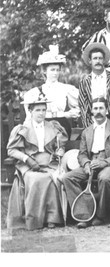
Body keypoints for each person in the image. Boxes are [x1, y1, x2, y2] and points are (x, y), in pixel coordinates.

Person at [61, 97, 110, 228]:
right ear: (91, 111)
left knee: (105, 178)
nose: (98, 112)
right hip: (92, 163)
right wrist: (86, 164)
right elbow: (82, 153)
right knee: (68, 178)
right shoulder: (87, 131)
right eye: (95, 108)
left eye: (101, 108)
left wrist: (104, 162)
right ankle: (84, 214)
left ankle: (101, 215)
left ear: (107, 111)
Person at [6, 94, 68, 230]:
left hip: (49, 163)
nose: (41, 113)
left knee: (54, 178)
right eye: (38, 110)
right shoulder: (23, 129)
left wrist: (60, 150)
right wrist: (27, 159)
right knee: (36, 180)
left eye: (44, 110)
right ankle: (35, 220)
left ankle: (52, 218)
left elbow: (60, 145)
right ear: (30, 111)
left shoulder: (53, 126)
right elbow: (11, 150)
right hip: (29, 165)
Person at [23, 45, 79, 138]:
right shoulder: (35, 92)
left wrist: (71, 114)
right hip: (43, 127)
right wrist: (64, 114)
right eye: (52, 70)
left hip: (62, 128)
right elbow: (31, 116)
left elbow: (80, 106)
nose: (55, 73)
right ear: (45, 71)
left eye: (57, 70)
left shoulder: (66, 89)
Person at [79, 43, 110, 128]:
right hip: (93, 123)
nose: (98, 61)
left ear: (104, 60)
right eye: (95, 58)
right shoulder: (84, 82)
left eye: (100, 58)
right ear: (90, 61)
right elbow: (83, 107)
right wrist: (89, 128)